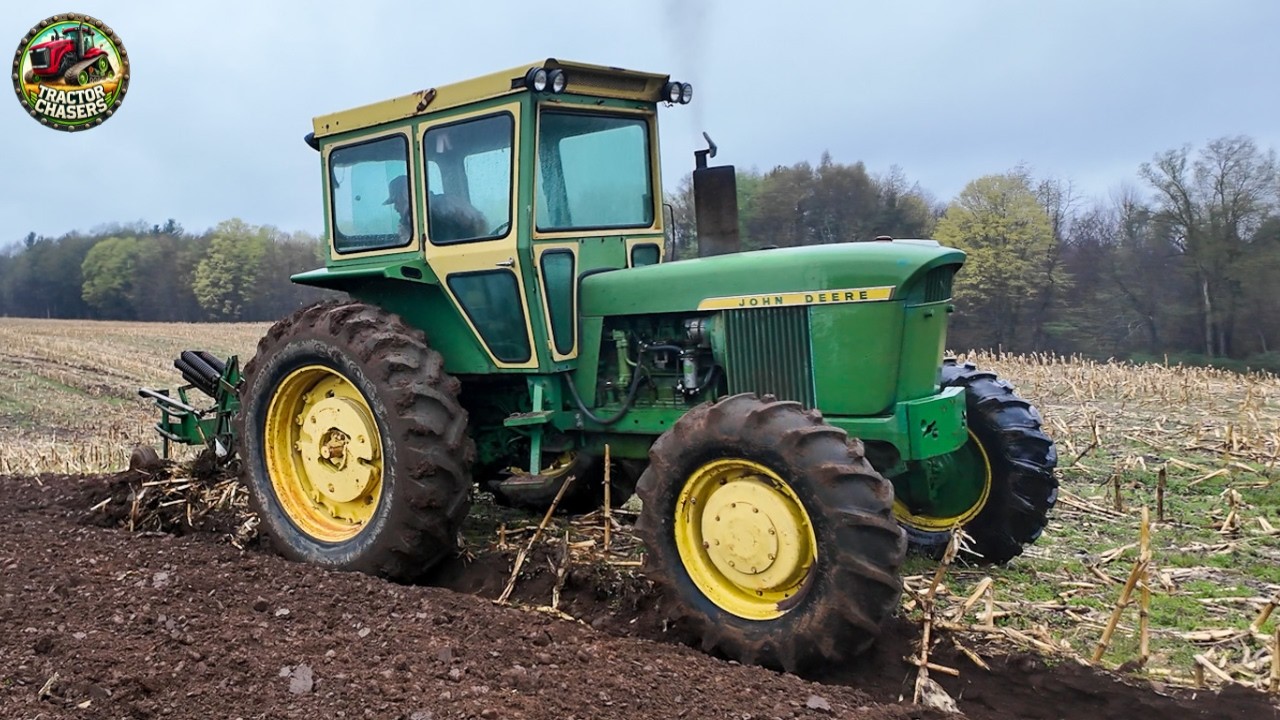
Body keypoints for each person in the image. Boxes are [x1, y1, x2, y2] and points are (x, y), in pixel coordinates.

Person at [383, 175, 412, 242]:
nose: (395, 208)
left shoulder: (411, 217)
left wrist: (405, 236)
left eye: (396, 201)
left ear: (405, 194)